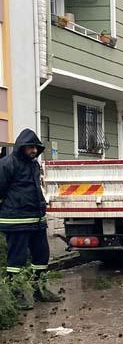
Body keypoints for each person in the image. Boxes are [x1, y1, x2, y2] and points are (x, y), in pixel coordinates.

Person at [0, 129, 62, 310]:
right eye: (30, 147)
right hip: (16, 221)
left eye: (35, 147)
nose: (34, 150)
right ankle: (16, 294)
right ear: (21, 147)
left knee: (42, 256)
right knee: (16, 261)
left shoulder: (34, 165)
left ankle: (40, 289)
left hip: (37, 220)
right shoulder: (6, 164)